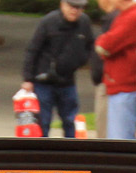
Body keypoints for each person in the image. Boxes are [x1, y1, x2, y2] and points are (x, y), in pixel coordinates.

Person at [23, 0, 96, 138]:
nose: (75, 10)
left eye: (79, 7)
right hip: (44, 81)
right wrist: (28, 78)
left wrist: (81, 60)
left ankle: (71, 154)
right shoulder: (49, 21)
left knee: (70, 121)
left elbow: (90, 45)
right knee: (43, 122)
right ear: (62, 4)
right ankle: (41, 153)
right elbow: (33, 50)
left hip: (68, 81)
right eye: (71, 6)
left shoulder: (84, 22)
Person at [97, 0, 136, 138]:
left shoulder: (134, 17)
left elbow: (105, 46)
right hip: (120, 87)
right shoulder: (124, 15)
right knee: (118, 138)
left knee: (120, 139)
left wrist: (103, 45)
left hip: (125, 89)